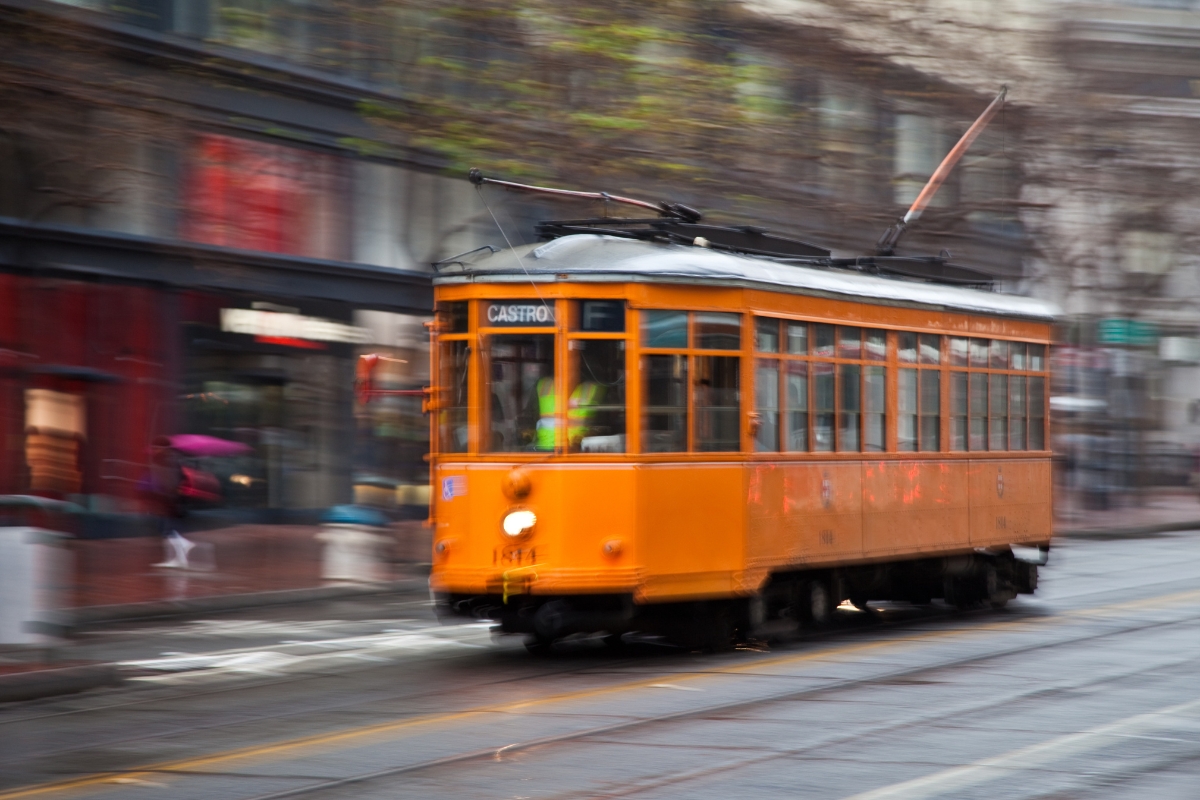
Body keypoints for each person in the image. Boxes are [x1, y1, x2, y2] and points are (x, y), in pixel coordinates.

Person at [141, 436, 195, 569]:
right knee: (166, 529)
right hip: (168, 500)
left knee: (167, 530)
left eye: (155, 448)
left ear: (162, 448)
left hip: (168, 500)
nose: (153, 450)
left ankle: (183, 545)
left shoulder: (166, 460)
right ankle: (179, 559)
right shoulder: (170, 460)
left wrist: (163, 493)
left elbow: (169, 481)